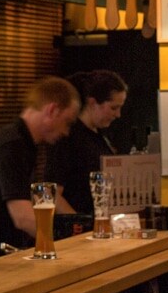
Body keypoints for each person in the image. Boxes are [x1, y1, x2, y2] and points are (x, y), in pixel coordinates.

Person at [0, 77, 81, 253]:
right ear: (52, 110)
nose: (66, 132)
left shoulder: (18, 140)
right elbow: (22, 217)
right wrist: (69, 249)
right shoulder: (12, 145)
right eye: (67, 122)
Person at [55, 70, 128, 219]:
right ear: (92, 103)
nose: (118, 115)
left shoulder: (101, 135)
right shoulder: (69, 138)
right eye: (114, 108)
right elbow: (54, 195)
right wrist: (80, 224)